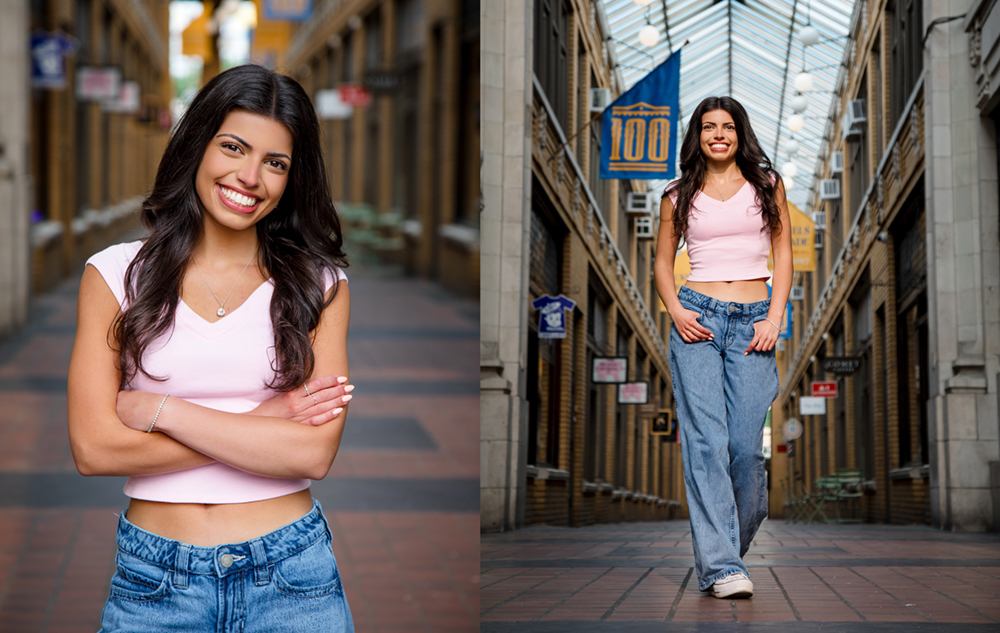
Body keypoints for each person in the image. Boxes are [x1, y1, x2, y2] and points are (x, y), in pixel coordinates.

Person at [68, 64, 355, 630]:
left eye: (276, 163)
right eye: (233, 147)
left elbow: (311, 455)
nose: (250, 177)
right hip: (154, 578)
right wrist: (262, 422)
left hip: (292, 574)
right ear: (198, 146)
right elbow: (94, 450)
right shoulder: (115, 276)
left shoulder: (320, 286)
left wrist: (160, 411)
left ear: (292, 179)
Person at [653, 96, 792, 599]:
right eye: (708, 126)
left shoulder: (767, 185)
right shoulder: (676, 193)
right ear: (697, 135)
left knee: (743, 450)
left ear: (740, 133)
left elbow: (783, 254)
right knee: (705, 444)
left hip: (755, 322)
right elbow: (663, 264)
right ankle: (721, 567)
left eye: (727, 126)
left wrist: (775, 317)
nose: (718, 134)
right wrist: (677, 311)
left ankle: (727, 548)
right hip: (698, 319)